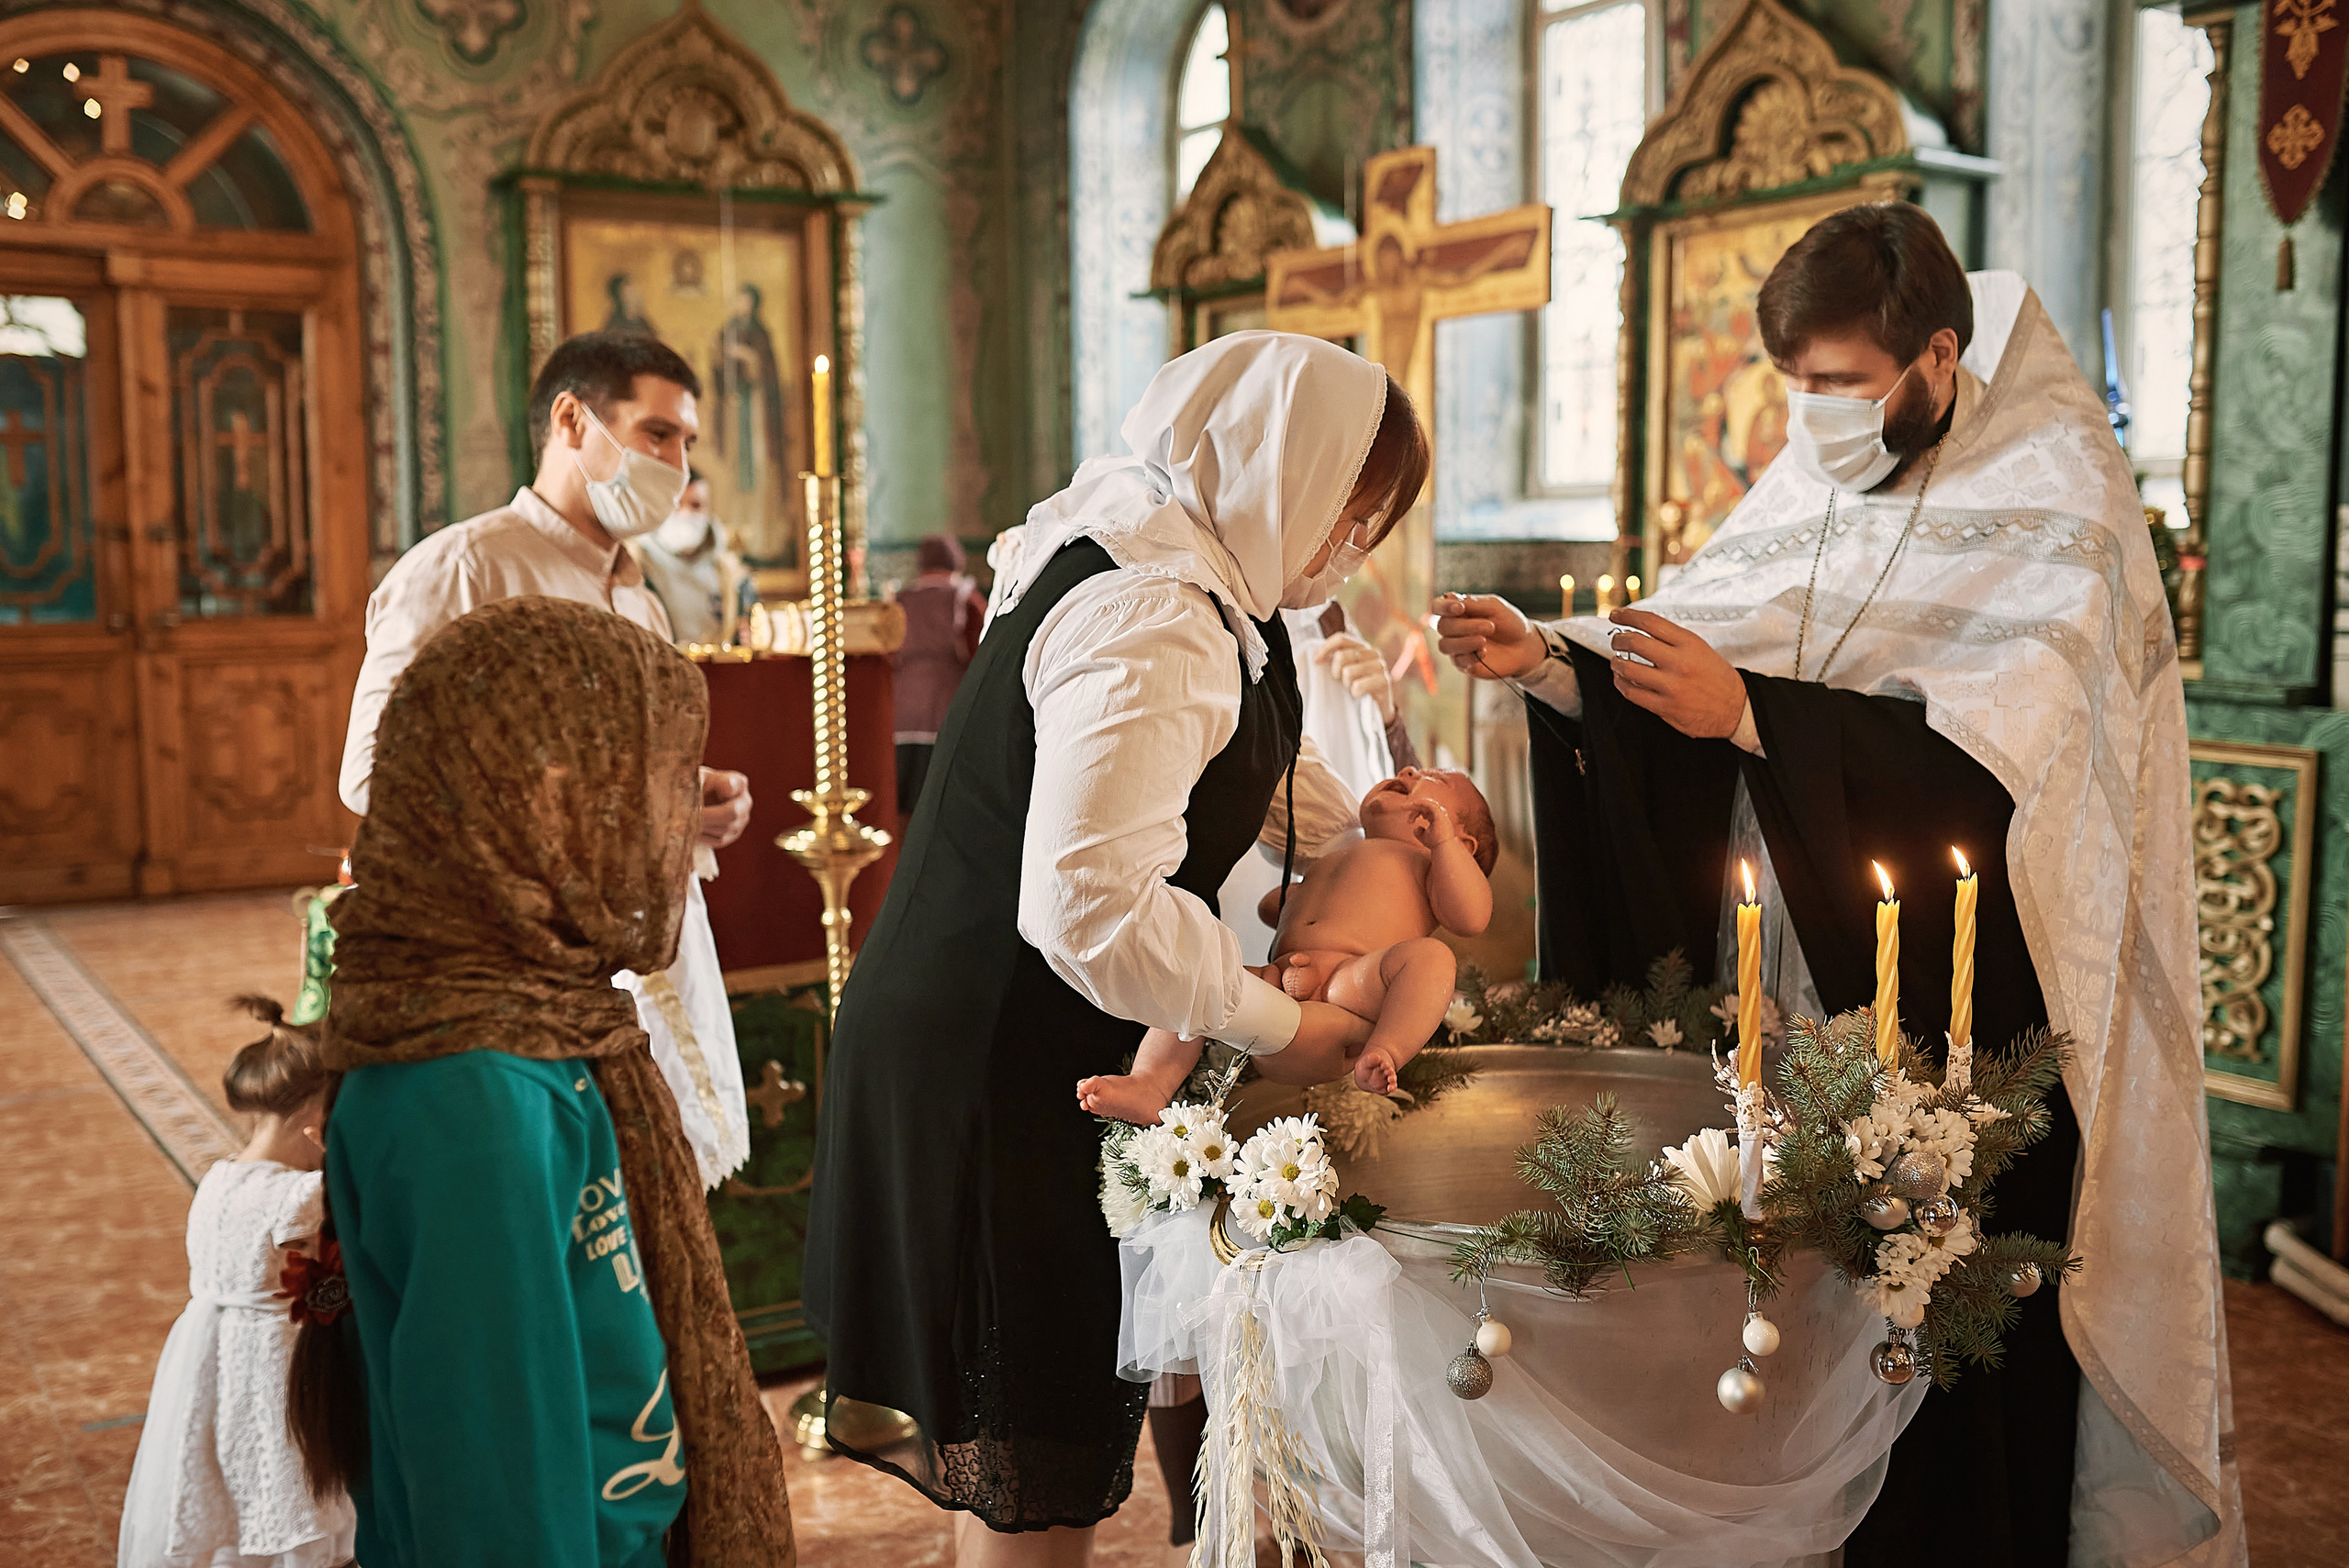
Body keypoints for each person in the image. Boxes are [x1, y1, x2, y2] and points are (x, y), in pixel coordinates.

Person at [1434, 203, 2240, 1568]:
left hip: (1963, 997)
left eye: (1840, 383)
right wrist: (1561, 667)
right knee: (1773, 1315)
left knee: (1933, 1337)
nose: (1810, 412)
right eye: (1793, 381)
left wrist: (1756, 715)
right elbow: (1700, 647)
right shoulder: (1808, 482)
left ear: (1937, 356)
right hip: (1780, 971)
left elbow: (2013, 788)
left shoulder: (2067, 504)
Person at [805, 331, 1430, 1562]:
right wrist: (1284, 1026)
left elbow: (1246, 763)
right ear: (1278, 466)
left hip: (1038, 1031)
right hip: (1004, 1052)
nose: (1355, 548)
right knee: (1033, 1470)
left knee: (1050, 1446)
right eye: (1350, 513)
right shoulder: (1155, 613)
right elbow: (1089, 905)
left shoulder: (1198, 562)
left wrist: (1384, 846)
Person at [295, 595, 795, 1567]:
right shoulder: (471, 1095)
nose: (669, 831)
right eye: (648, 792)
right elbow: (498, 1500)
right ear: (535, 813)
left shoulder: (548, 1022)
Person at [339, 331, 752, 1192]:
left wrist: (691, 798)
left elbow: (622, 769)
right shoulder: (463, 568)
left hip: (646, 962)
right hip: (514, 977)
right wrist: (621, 804)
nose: (676, 466)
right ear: (571, 420)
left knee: (654, 1207)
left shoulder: (639, 595)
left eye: (686, 442)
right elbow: (376, 776)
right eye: (656, 434)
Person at [1080, 764, 1495, 1119]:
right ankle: (1151, 1083)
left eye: (1436, 777)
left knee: (1432, 958)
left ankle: (1386, 1050)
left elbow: (1471, 917)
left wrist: (1443, 845)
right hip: (1276, 979)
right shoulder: (1341, 853)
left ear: (1464, 845)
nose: (1409, 770)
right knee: (1195, 974)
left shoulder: (1431, 865)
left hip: (1349, 988)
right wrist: (1297, 899)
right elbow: (1281, 907)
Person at [117, 998, 356, 1568]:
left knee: (227, 1476)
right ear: (317, 1120)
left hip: (209, 1354)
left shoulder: (219, 1179)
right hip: (277, 1360)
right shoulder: (301, 1195)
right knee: (286, 1475)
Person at [889, 531, 989, 820]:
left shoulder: (899, 601)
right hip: (949, 710)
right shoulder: (964, 598)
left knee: (906, 806)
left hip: (903, 714)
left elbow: (888, 656)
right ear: (955, 560)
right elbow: (983, 654)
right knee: (946, 804)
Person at [632, 470, 755, 647]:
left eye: (696, 505)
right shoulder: (635, 568)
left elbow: (746, 632)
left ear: (709, 510)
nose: (685, 514)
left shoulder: (733, 575)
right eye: (676, 504)